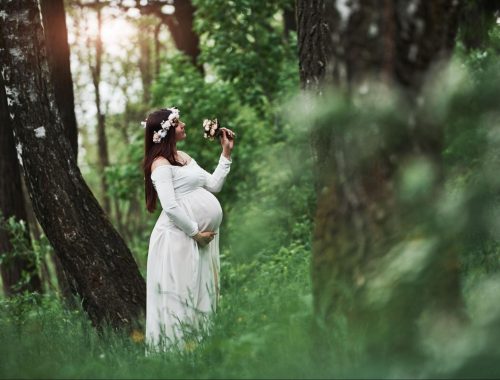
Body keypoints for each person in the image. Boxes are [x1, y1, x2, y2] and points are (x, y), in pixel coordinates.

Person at [142, 107, 235, 353]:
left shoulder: (183, 156)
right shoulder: (159, 165)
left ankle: (202, 350)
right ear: (167, 130)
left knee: (201, 291)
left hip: (198, 240)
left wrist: (225, 153)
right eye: (177, 122)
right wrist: (195, 233)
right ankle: (177, 354)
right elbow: (170, 206)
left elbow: (213, 185)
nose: (183, 125)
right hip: (179, 239)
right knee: (182, 293)